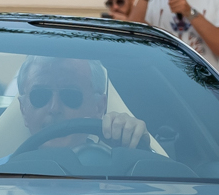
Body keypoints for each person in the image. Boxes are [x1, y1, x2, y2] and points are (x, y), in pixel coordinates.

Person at [12, 56, 147, 158]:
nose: (55, 108)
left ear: (99, 107)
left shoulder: (123, 171)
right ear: (23, 109)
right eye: (40, 96)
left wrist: (138, 150)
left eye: (71, 95)